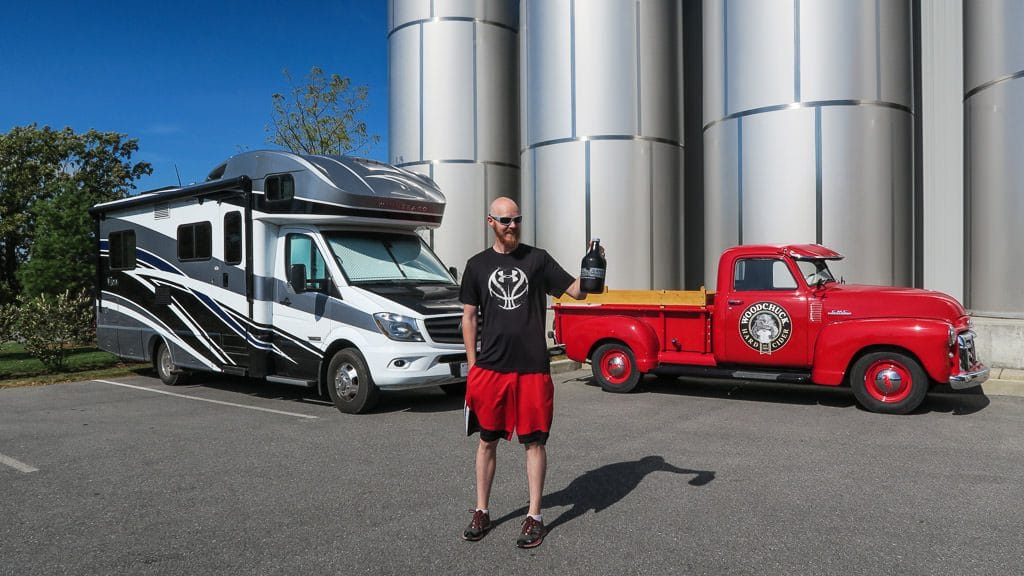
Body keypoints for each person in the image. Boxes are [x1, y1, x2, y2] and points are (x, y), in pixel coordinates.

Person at [458, 196, 595, 548]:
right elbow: (469, 317)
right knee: (487, 440)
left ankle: (535, 516)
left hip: (532, 369)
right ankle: (481, 510)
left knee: (534, 442)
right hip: (490, 369)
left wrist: (593, 270)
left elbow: (577, 292)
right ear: (491, 222)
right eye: (505, 221)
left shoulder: (538, 260)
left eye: (517, 219)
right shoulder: (476, 265)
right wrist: (473, 365)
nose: (513, 226)